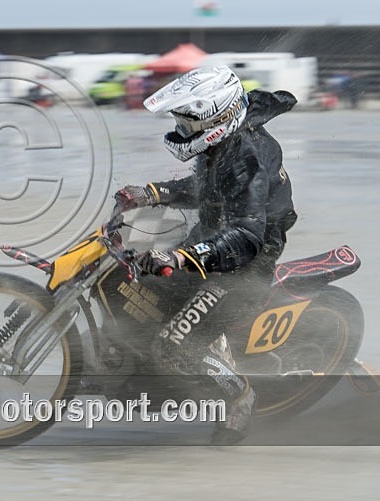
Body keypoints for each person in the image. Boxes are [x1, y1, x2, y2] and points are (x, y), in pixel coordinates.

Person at [114, 65, 298, 444]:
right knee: (138, 276)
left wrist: (181, 257)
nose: (182, 132)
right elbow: (207, 189)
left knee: (172, 345)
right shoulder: (223, 142)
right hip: (215, 240)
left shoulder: (247, 159)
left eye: (187, 125)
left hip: (244, 265)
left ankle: (240, 397)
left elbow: (247, 235)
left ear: (217, 118)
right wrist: (152, 193)